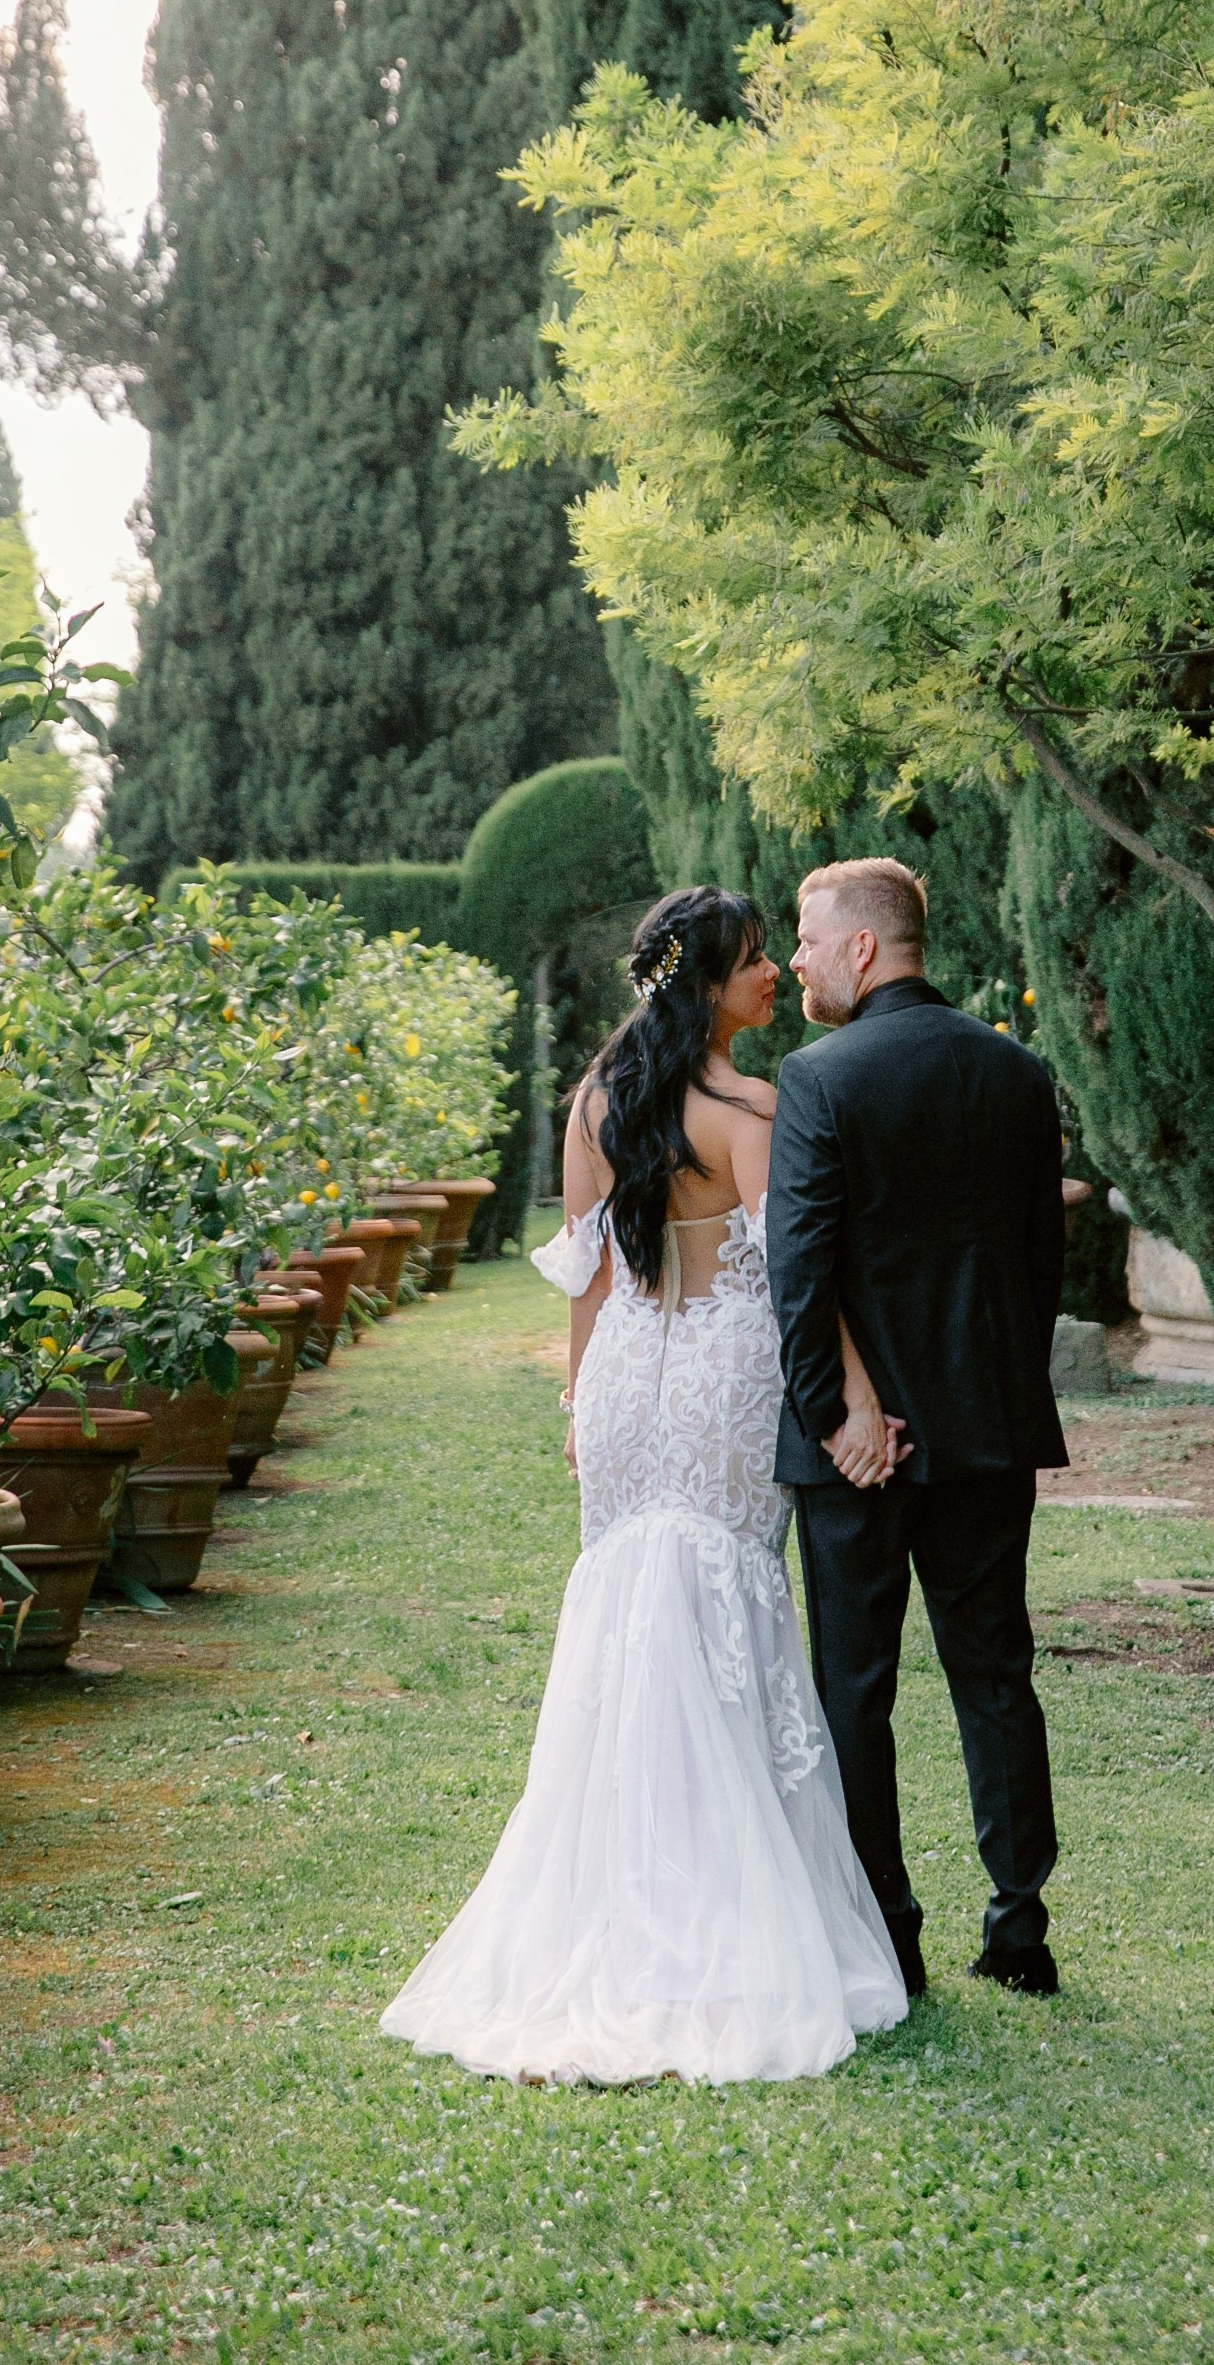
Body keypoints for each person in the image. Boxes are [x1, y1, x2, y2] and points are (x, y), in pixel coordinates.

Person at [380, 886, 908, 2085]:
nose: (772, 974)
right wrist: (858, 1399)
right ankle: (721, 1913)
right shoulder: (750, 1109)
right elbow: (794, 1285)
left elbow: (586, 1277)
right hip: (719, 1370)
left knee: (630, 1607)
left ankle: (620, 1890)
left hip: (623, 1374)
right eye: (753, 961)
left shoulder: (595, 1101)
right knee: (721, 1595)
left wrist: (580, 1401)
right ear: (706, 983)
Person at [766, 858, 1069, 2001]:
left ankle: (885, 1934)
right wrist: (981, 1394)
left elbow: (798, 1278)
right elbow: (1038, 1264)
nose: (793, 959)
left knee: (856, 1688)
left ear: (861, 947)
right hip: (984, 1434)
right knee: (995, 1676)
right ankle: (1019, 1925)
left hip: (855, 1452)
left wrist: (836, 1419)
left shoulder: (817, 1078)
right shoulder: (1016, 1072)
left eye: (804, 937)